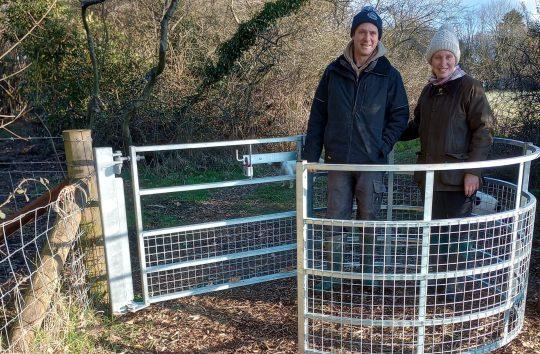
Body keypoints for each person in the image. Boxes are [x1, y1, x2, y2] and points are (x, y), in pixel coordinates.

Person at [302, 6, 409, 288]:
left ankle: (368, 275)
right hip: (338, 159)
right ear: (353, 34)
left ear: (379, 37)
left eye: (373, 33)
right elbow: (318, 116)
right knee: (335, 217)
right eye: (362, 31)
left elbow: (400, 115)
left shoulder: (389, 74)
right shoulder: (333, 71)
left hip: (371, 162)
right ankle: (334, 274)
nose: (367, 37)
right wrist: (309, 156)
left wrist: (382, 146)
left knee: (369, 218)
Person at [400, 25, 494, 300]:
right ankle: (435, 286)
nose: (443, 63)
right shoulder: (430, 91)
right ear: (430, 60)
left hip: (456, 178)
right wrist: (387, 131)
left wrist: (472, 171)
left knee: (456, 235)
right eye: (438, 57)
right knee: (435, 235)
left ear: (456, 58)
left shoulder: (469, 87)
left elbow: (484, 130)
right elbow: (417, 126)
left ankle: (455, 290)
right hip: (430, 178)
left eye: (448, 57)